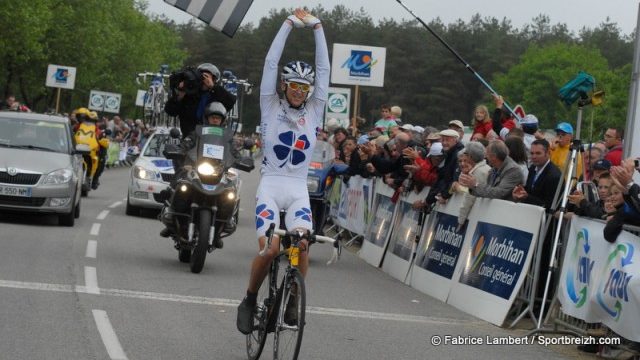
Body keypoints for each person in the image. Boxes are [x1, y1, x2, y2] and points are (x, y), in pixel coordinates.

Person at [236, 8, 329, 335]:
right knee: (271, 248)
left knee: (302, 244)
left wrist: (317, 27)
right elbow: (270, 63)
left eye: (304, 88)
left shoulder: (316, 110)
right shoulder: (269, 104)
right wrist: (289, 24)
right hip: (271, 187)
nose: (299, 92)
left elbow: (323, 68)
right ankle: (249, 298)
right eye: (293, 86)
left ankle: (292, 300)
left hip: (298, 188)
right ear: (284, 85)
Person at [164, 62, 236, 138]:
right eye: (202, 77)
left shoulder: (216, 95)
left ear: (214, 80)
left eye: (207, 77)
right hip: (189, 140)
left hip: (212, 138)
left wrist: (213, 87)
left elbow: (230, 102)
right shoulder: (189, 95)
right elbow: (170, 111)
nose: (204, 80)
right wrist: (179, 95)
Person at [458, 140, 524, 200]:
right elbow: (487, 192)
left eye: (487, 154)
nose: (485, 157)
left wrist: (475, 185)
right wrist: (472, 186)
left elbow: (498, 193)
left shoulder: (513, 170)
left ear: (494, 156)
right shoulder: (494, 169)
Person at [512, 139, 562, 210]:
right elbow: (532, 190)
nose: (534, 156)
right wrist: (521, 191)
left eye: (538, 153)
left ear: (548, 153)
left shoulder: (554, 176)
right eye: (532, 153)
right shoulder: (533, 168)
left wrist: (527, 197)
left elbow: (549, 205)